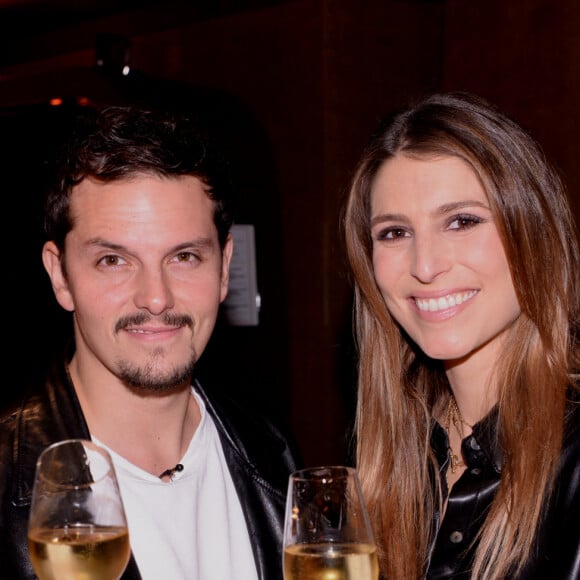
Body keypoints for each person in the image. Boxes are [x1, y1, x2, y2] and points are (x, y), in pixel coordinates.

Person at [0, 105, 300, 579]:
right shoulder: (5, 487)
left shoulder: (271, 453)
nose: (156, 297)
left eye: (183, 256)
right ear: (60, 275)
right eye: (113, 261)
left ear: (224, 268)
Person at [342, 91, 579, 579]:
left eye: (462, 221)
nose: (425, 266)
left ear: (532, 231)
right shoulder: (399, 456)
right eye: (394, 233)